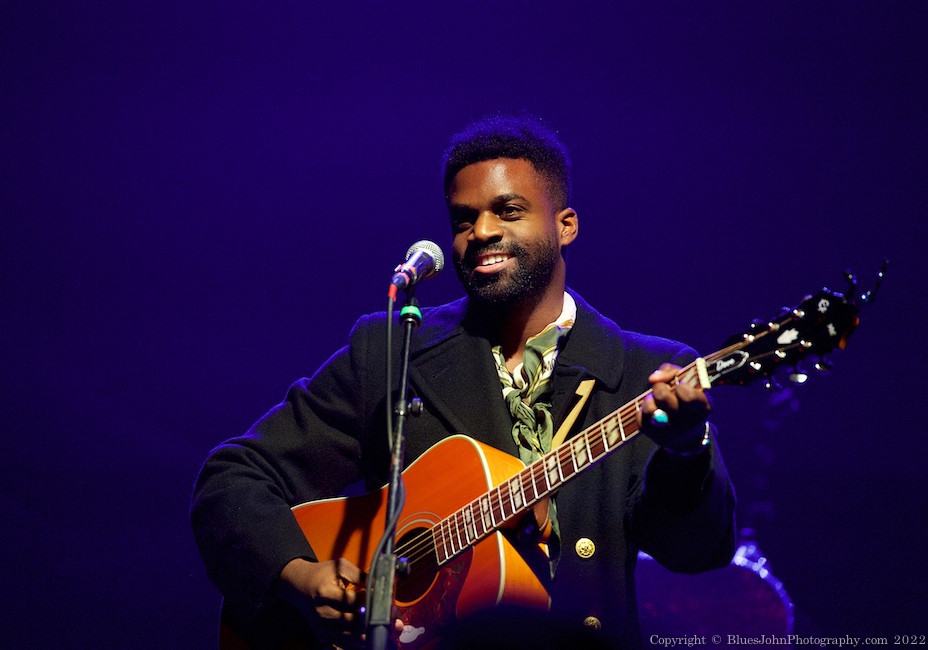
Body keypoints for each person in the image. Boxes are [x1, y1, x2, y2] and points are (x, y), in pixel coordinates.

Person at [191, 115, 736, 650]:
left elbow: (695, 552)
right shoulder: (394, 353)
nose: (481, 232)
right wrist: (298, 576)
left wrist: (687, 451)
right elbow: (233, 477)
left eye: (508, 211)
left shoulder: (645, 372)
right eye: (462, 219)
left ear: (565, 224)